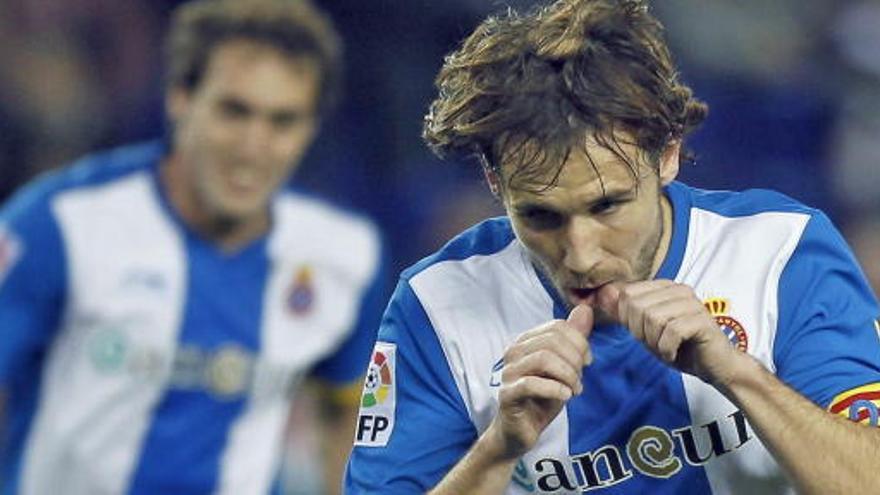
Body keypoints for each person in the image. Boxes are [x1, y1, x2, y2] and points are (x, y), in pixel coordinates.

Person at [345, 0, 880, 493]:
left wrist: (738, 373)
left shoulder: (778, 250)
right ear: (494, 182)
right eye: (540, 215)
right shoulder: (437, 305)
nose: (580, 255)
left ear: (667, 156)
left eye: (607, 206)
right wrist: (497, 450)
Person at [0, 0, 385, 493]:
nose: (253, 145)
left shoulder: (345, 258)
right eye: (234, 111)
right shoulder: (59, 224)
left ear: (310, 129)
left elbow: (349, 413)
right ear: (180, 98)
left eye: (282, 121)